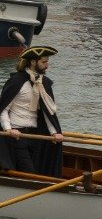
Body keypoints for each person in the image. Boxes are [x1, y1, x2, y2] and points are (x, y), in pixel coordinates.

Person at [0, 46, 64, 177]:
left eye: (47, 62)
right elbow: (3, 109)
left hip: (35, 135)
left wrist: (54, 133)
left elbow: (47, 113)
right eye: (44, 62)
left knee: (39, 169)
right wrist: (8, 129)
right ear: (33, 62)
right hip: (17, 135)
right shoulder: (16, 81)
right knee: (29, 172)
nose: (47, 65)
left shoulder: (43, 83)